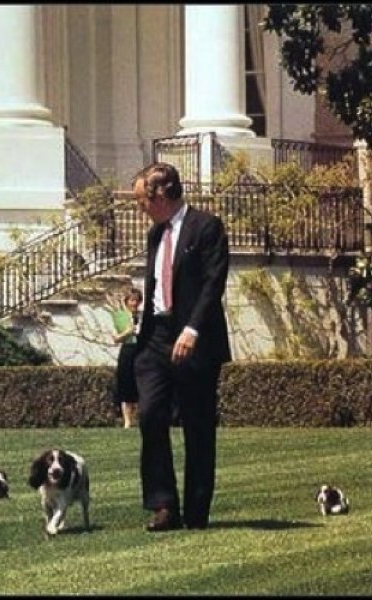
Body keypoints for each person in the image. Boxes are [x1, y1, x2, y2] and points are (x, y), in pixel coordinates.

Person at [131, 162, 232, 532]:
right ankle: (163, 505)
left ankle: (196, 513)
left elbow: (212, 284)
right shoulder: (155, 234)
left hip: (195, 339)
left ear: (161, 195)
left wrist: (192, 329)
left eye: (142, 198)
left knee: (197, 426)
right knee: (151, 415)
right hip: (156, 337)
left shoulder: (207, 227)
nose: (139, 205)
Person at [110, 287, 143, 428]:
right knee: (126, 385)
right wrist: (129, 332)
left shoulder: (143, 316)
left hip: (141, 350)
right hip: (127, 351)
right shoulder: (119, 316)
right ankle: (127, 421)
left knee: (142, 385)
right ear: (127, 302)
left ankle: (142, 418)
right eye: (131, 300)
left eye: (137, 300)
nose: (134, 303)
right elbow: (116, 338)